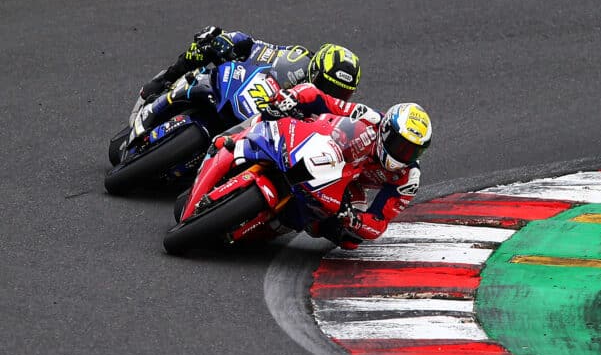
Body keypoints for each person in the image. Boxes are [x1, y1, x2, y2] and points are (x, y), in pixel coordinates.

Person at [206, 85, 433, 249]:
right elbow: (320, 98)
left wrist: (354, 219)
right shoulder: (368, 117)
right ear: (386, 131)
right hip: (325, 145)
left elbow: (379, 223)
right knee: (272, 117)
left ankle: (275, 226)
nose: (404, 155)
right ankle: (232, 140)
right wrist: (293, 97)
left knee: (349, 240)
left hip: (349, 183)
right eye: (401, 146)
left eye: (413, 151)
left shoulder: (408, 178)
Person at [139, 25, 361, 103]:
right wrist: (230, 41)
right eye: (329, 85)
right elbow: (264, 49)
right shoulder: (299, 59)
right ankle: (165, 79)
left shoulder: (331, 112)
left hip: (262, 129)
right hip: (251, 94)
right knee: (209, 44)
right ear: (316, 69)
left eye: (342, 92)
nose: (332, 93)